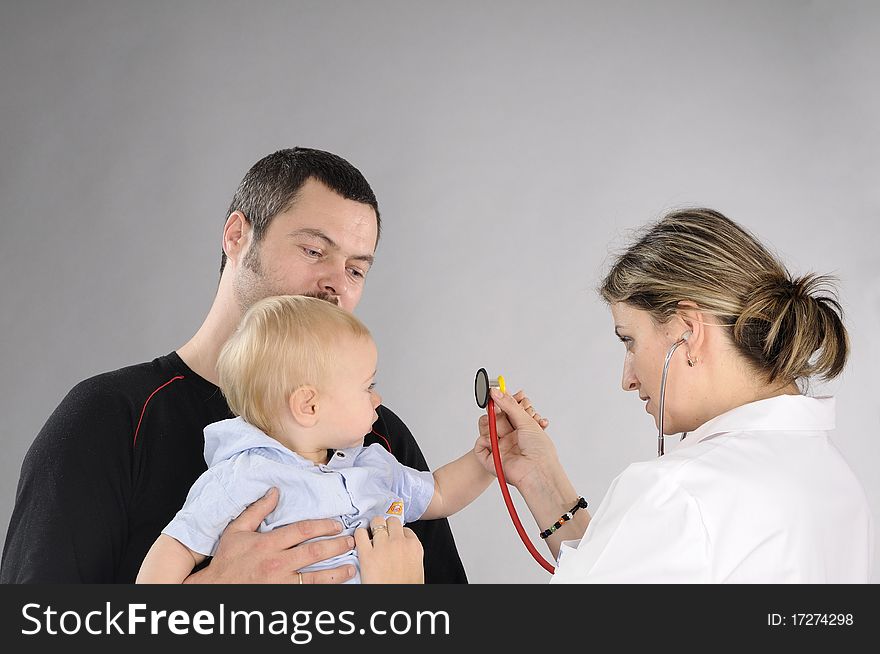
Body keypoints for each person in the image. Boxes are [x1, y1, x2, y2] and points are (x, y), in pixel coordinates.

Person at [1, 147, 468, 583]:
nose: (335, 285)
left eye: (356, 269)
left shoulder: (374, 437)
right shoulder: (110, 419)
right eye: (313, 251)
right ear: (237, 236)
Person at [469, 207, 872, 583]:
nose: (627, 379)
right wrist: (542, 480)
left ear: (688, 331)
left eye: (629, 341)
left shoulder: (680, 493)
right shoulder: (837, 482)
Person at [137, 295, 495, 584]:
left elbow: (440, 493)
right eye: (367, 387)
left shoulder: (370, 464)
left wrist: (487, 460)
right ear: (309, 406)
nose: (378, 399)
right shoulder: (243, 476)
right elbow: (177, 547)